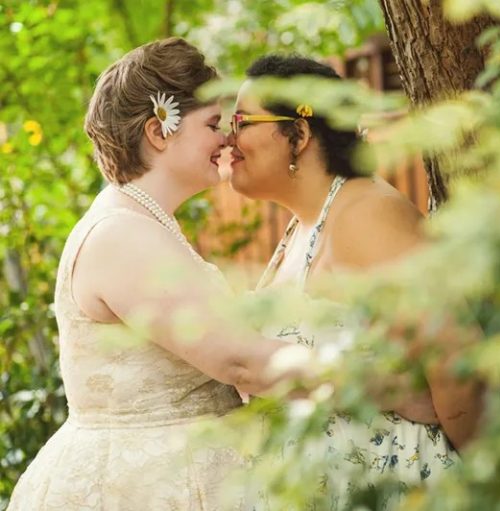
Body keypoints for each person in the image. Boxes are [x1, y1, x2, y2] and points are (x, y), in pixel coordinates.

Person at [7, 38, 309, 511]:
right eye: (213, 124)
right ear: (159, 130)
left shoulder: (141, 222)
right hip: (142, 489)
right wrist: (379, 381)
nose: (228, 139)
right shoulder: (120, 235)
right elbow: (239, 362)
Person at [228, 55, 483, 499]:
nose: (227, 140)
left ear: (299, 134)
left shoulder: (366, 214)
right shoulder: (300, 227)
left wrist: (487, 479)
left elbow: (455, 356)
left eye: (241, 121)